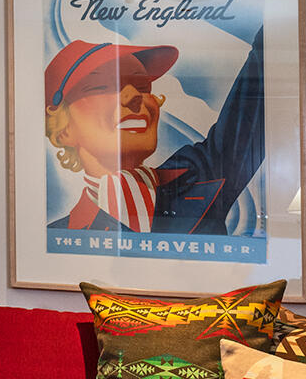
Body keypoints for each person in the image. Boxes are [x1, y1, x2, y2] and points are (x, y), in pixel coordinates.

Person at [44, 33, 265, 234]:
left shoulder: (197, 175)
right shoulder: (59, 233)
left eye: (143, 86)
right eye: (103, 86)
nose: (133, 96)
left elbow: (251, 103)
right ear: (62, 130)